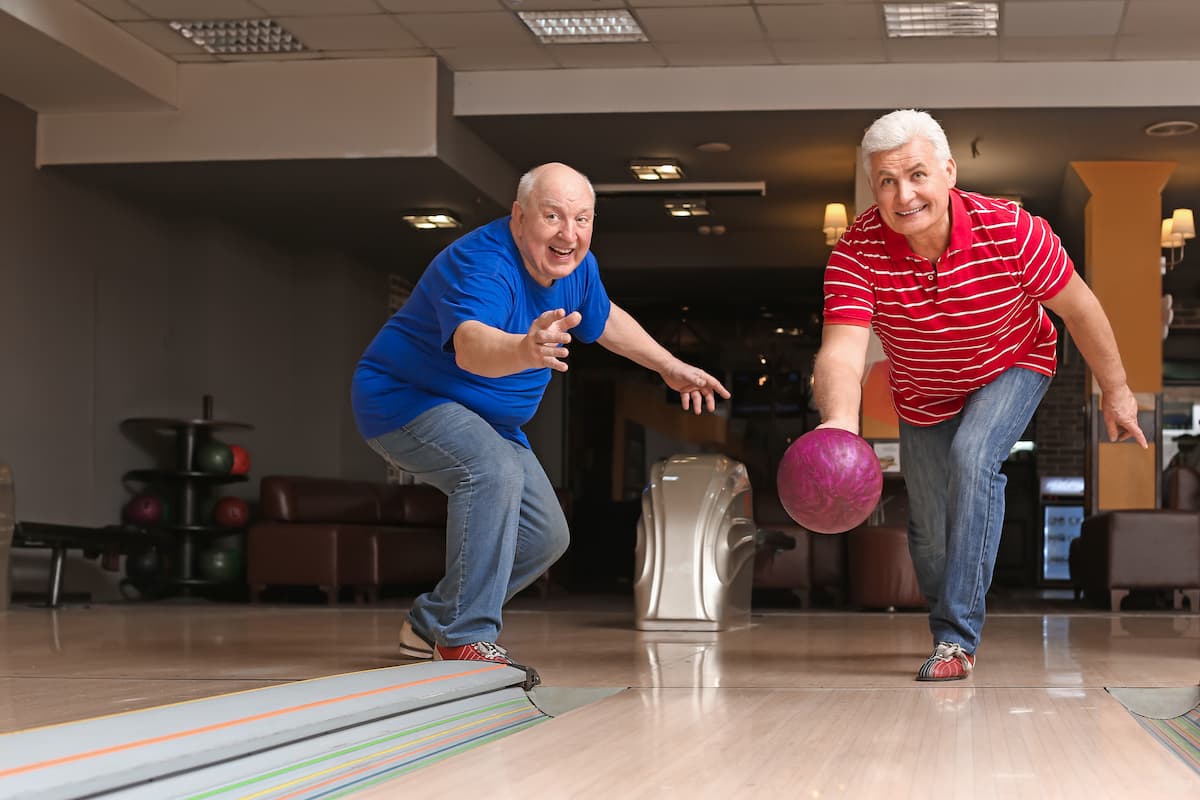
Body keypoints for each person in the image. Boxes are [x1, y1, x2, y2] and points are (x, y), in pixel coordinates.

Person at [352, 162, 730, 677]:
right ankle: (464, 638)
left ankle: (430, 624)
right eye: (552, 216)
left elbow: (605, 318)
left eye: (582, 219)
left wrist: (668, 366)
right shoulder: (482, 263)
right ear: (519, 216)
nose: (568, 234)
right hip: (406, 399)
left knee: (544, 536)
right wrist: (524, 349)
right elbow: (470, 346)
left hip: (490, 421)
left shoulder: (578, 268)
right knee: (491, 470)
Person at [812, 110, 1146, 682]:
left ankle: (955, 641)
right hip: (923, 390)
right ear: (873, 187)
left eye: (917, 175)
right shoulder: (856, 252)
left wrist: (1116, 393)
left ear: (948, 171)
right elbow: (842, 351)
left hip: (1013, 361)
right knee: (929, 536)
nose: (904, 195)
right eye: (887, 181)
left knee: (973, 458)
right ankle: (948, 620)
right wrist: (840, 423)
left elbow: (1080, 309)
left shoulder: (1012, 230)